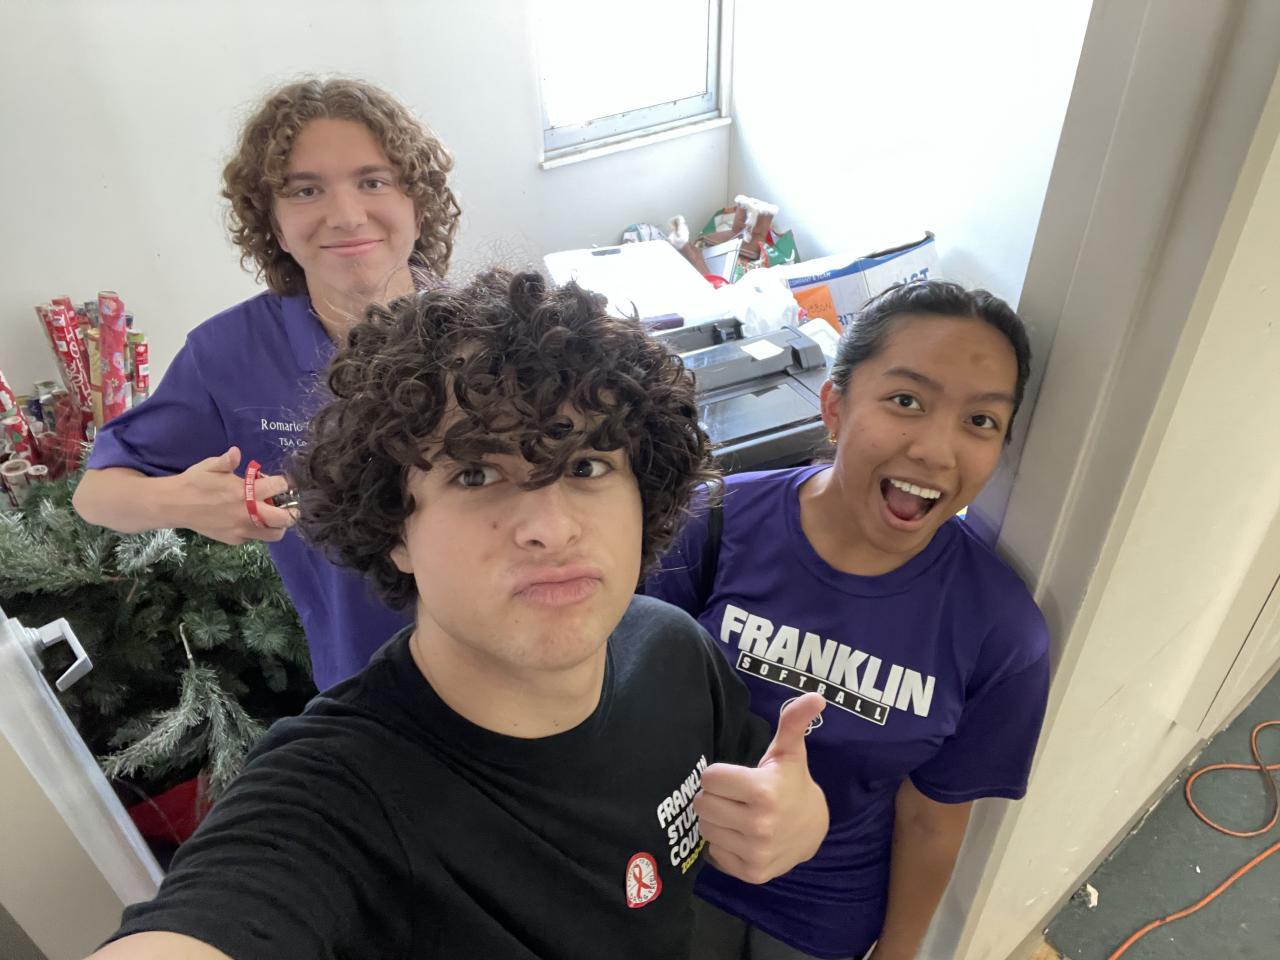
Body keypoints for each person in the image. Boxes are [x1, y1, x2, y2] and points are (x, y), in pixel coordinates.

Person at [88, 270, 831, 960]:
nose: (551, 528)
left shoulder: (671, 650)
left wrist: (798, 817)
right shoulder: (338, 796)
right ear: (394, 528)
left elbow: (757, 785)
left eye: (587, 466)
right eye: (476, 474)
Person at [645, 280, 1052, 960]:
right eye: (906, 401)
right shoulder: (708, 523)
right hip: (669, 873)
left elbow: (931, 821)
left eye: (981, 420)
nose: (936, 451)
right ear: (835, 405)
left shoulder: (1003, 634)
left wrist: (897, 954)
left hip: (821, 919)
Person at [72, 77, 462, 689]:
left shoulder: (490, 330)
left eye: (373, 181)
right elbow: (95, 493)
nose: (346, 215)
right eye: (306, 190)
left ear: (419, 202)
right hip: (372, 690)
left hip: (527, 656)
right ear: (274, 225)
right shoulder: (228, 355)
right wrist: (182, 503)